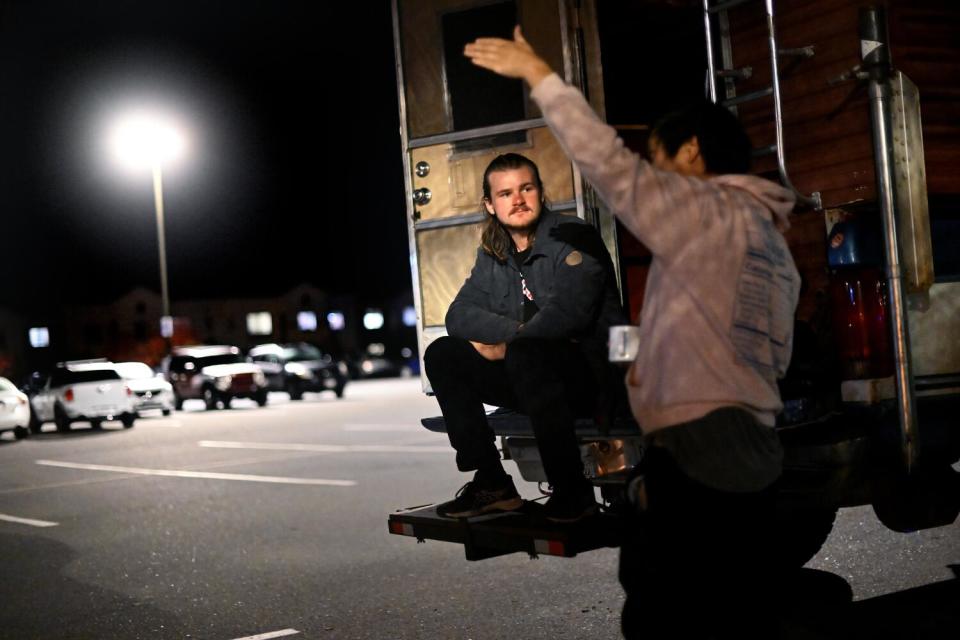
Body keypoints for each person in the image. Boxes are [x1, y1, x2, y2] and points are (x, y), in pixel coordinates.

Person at [465, 28, 800, 638]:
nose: (654, 171)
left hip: (702, 442)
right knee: (732, 605)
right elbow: (765, 349)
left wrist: (540, 74)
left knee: (656, 608)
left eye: (662, 158)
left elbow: (609, 165)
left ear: (693, 152)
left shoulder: (701, 212)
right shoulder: (770, 242)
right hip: (754, 443)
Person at [423, 152, 625, 523]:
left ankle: (571, 491)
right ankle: (493, 482)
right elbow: (458, 315)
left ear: (540, 193)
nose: (517, 199)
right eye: (505, 193)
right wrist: (512, 338)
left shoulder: (573, 236)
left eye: (526, 188)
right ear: (490, 204)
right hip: (529, 376)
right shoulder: (494, 254)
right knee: (443, 353)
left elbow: (566, 317)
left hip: (588, 381)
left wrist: (506, 347)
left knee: (528, 353)